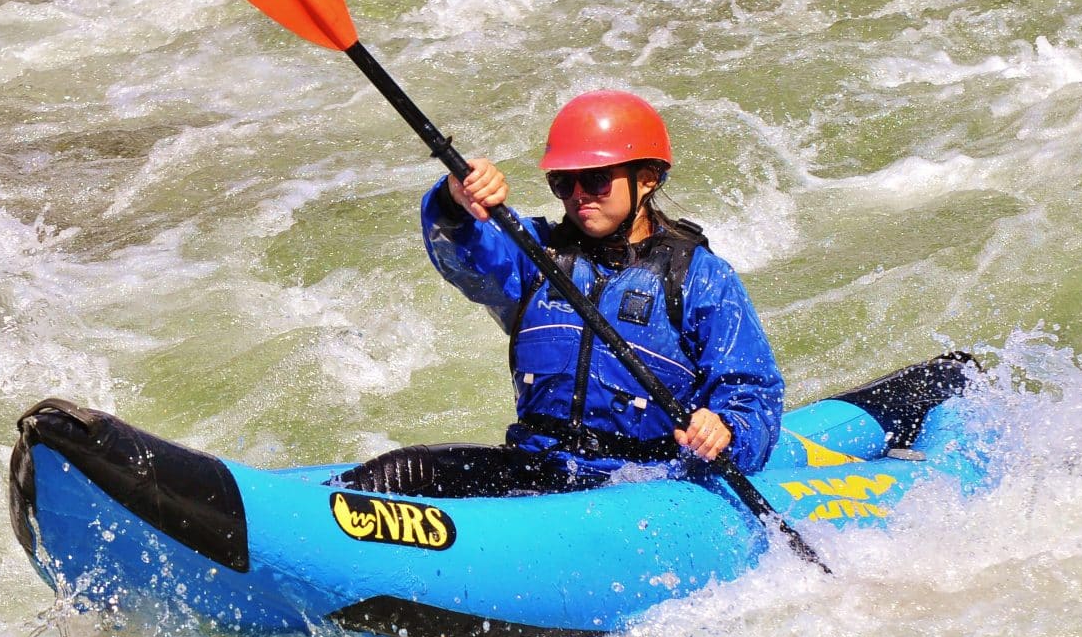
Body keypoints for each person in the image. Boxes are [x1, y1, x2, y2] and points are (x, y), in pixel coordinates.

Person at [335, 90, 784, 499]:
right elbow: (462, 254)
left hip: (643, 485)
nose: (579, 196)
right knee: (400, 474)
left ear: (646, 178)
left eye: (596, 180)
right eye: (564, 183)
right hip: (534, 468)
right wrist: (456, 200)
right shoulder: (534, 254)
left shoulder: (701, 278)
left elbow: (753, 396)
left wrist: (725, 428)